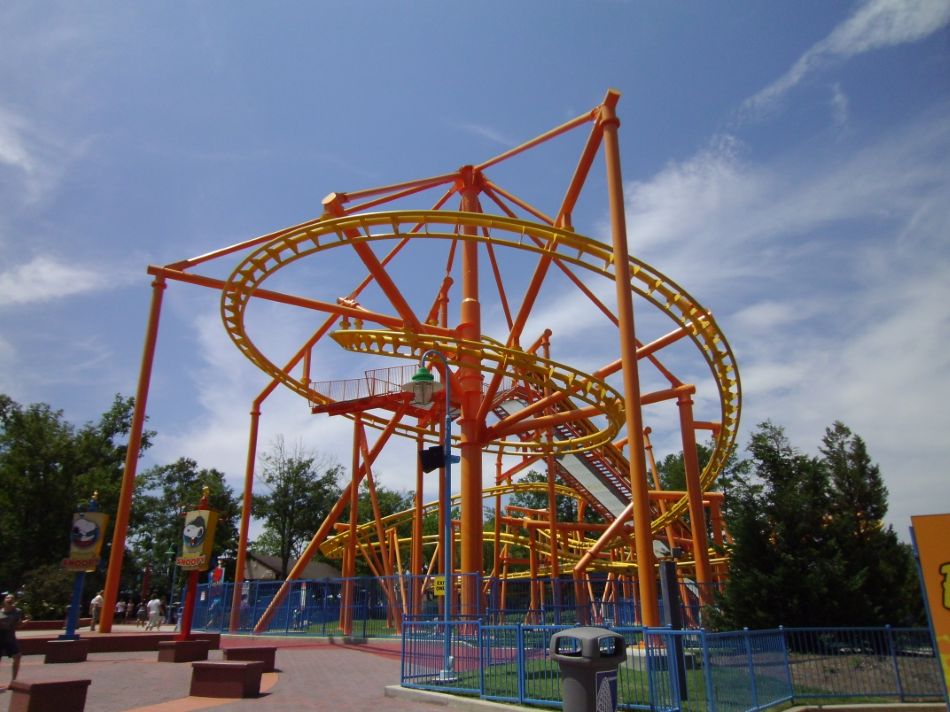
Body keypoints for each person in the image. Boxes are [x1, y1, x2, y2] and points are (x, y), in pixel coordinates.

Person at [0, 594, 23, 685]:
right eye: (8, 598)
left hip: (10, 637)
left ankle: (14, 681)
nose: (10, 599)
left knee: (17, 656)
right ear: (4, 601)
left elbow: (18, 624)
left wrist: (25, 622)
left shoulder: (17, 612)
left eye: (12, 598)